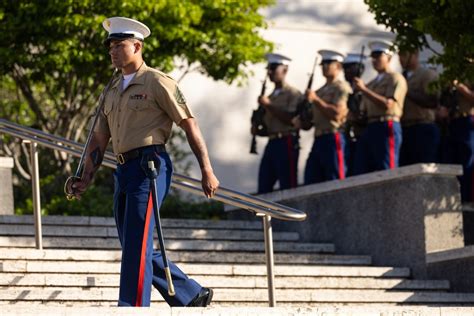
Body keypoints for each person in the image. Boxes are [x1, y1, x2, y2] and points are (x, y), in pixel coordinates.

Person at [65, 17, 219, 307]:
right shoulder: (110, 91)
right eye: (110, 46)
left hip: (150, 167)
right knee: (134, 242)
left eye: (119, 45)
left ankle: (133, 308)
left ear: (137, 46)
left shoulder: (158, 82)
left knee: (137, 244)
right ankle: (190, 293)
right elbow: (99, 140)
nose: (112, 51)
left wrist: (207, 170)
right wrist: (85, 176)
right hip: (123, 170)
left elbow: (190, 125)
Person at [294, 50, 351, 184]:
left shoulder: (341, 87)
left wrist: (316, 100)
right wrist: (301, 119)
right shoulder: (319, 91)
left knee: (335, 180)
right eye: (323, 64)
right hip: (318, 138)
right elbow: (309, 124)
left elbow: (337, 114)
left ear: (338, 66)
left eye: (328, 63)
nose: (324, 67)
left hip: (333, 136)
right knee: (311, 179)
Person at [353, 40, 407, 174]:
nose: (375, 60)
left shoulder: (395, 78)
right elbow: (363, 111)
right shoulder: (372, 83)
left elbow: (388, 104)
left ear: (388, 57)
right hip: (371, 126)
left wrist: (364, 90)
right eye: (373, 57)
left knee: (387, 169)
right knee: (365, 170)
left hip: (386, 124)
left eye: (379, 56)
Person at [254, 53, 302, 193]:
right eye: (268, 68)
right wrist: (257, 129)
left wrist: (268, 105)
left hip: (287, 141)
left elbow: (291, 119)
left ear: (285, 70)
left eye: (274, 68)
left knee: (288, 186)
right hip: (272, 142)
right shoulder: (269, 96)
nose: (270, 72)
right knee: (264, 187)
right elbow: (268, 128)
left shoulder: (293, 94)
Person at [398, 49, 440, 165]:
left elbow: (432, 101)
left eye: (404, 54)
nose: (401, 59)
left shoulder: (427, 74)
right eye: (399, 55)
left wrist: (406, 91)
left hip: (422, 127)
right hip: (404, 128)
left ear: (415, 54)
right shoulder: (400, 77)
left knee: (424, 166)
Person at [443, 81, 474, 202]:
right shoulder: (450, 75)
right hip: (452, 122)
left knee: (467, 162)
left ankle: (467, 200)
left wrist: (460, 87)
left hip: (468, 120)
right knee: (450, 163)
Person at [342, 52, 367, 176]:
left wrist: (353, 118)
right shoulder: (350, 92)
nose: (344, 72)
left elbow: (365, 117)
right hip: (349, 139)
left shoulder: (364, 93)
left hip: (361, 138)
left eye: (348, 68)